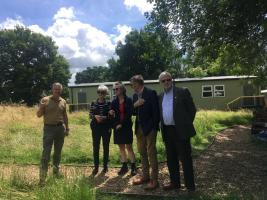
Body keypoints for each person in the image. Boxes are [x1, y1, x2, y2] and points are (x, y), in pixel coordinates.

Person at [158, 71, 196, 192]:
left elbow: (192, 110)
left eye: (168, 79)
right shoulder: (160, 96)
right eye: (163, 80)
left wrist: (185, 124)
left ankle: (190, 186)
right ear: (160, 82)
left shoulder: (182, 91)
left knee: (185, 159)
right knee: (171, 159)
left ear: (172, 80)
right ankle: (175, 183)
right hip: (167, 131)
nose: (166, 82)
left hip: (181, 131)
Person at [130, 75, 160, 190]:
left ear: (139, 83)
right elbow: (132, 112)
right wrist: (135, 105)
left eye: (133, 84)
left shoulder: (151, 93)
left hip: (150, 128)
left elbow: (156, 113)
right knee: (142, 153)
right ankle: (145, 176)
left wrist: (152, 127)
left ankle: (154, 180)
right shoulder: (134, 96)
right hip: (139, 129)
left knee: (151, 153)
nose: (132, 86)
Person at [37, 82, 69, 186]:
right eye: (55, 89)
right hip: (49, 129)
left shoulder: (63, 101)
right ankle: (42, 178)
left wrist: (67, 128)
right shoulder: (45, 100)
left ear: (61, 90)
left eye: (59, 89)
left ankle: (56, 173)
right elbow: (38, 115)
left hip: (60, 129)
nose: (57, 91)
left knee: (58, 153)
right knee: (46, 153)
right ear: (52, 89)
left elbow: (65, 115)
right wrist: (41, 107)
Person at [109, 81, 137, 176]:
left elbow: (129, 114)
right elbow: (112, 115)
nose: (115, 91)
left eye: (117, 89)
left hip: (126, 127)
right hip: (117, 128)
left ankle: (133, 166)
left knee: (129, 147)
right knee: (121, 147)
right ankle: (124, 166)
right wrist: (112, 115)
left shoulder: (128, 100)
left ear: (122, 89)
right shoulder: (113, 102)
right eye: (114, 89)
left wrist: (121, 124)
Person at [89, 85, 111, 175]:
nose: (101, 94)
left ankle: (105, 166)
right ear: (97, 93)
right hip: (96, 128)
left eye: (103, 92)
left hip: (106, 128)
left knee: (106, 147)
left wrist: (105, 117)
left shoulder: (109, 104)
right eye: (99, 92)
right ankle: (96, 167)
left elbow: (111, 115)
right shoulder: (93, 103)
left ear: (106, 93)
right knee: (96, 147)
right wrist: (95, 116)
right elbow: (90, 115)